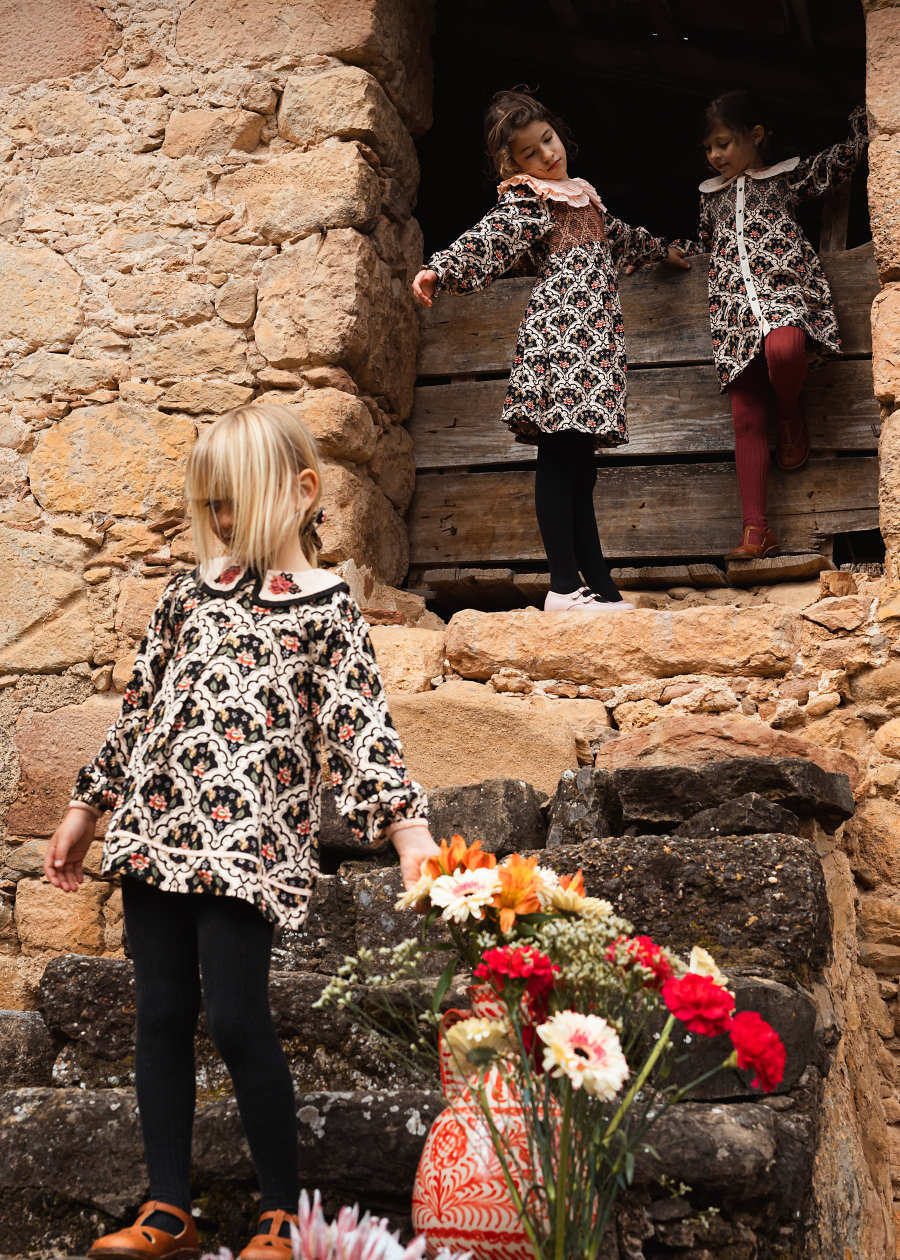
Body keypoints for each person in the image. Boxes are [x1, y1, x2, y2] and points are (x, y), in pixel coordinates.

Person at [43, 404, 439, 1260]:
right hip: (155, 826)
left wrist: (407, 828)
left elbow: (359, 726)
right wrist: (87, 806)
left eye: (235, 501)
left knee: (234, 1016)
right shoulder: (187, 595)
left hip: (247, 844)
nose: (221, 519)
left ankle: (281, 1211)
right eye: (211, 504)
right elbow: (139, 710)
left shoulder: (328, 609)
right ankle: (168, 1210)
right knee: (160, 1012)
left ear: (303, 492)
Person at [412, 88, 689, 613]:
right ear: (513, 164)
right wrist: (440, 269)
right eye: (530, 152)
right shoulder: (530, 198)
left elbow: (622, 237)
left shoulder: (583, 196)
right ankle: (562, 585)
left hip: (593, 344)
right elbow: (492, 236)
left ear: (559, 132)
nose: (547, 154)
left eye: (548, 139)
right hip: (560, 340)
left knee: (582, 468)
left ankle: (599, 587)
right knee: (560, 458)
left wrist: (665, 251)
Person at [671, 92, 868, 560]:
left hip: (782, 291)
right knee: (745, 415)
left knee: (785, 351)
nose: (715, 155)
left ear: (755, 136)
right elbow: (703, 245)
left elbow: (840, 161)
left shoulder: (784, 178)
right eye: (708, 148)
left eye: (723, 143)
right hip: (733, 311)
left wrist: (867, 112)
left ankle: (789, 412)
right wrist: (665, 253)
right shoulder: (709, 196)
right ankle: (756, 530)